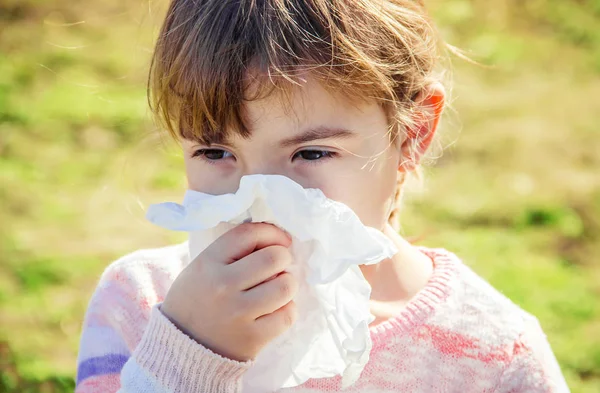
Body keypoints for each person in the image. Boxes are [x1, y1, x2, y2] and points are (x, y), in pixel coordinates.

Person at [75, 0, 569, 391]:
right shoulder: (140, 302)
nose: (261, 202)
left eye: (311, 154)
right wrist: (188, 358)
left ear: (414, 133)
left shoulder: (493, 357)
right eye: (214, 152)